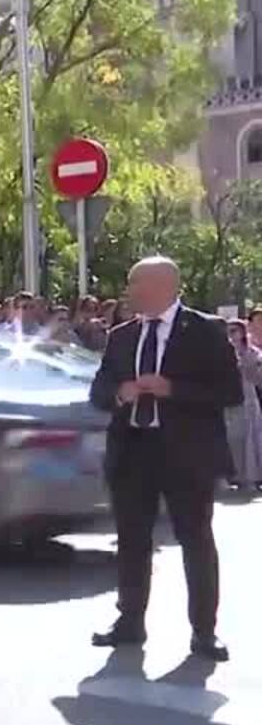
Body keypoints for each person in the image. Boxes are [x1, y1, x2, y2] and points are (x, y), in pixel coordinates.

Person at [88, 256, 242, 661]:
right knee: (132, 541)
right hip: (133, 450)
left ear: (164, 286)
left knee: (195, 541)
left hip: (187, 454)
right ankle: (129, 622)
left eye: (138, 283)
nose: (131, 291)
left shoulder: (205, 331)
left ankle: (204, 631)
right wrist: (121, 393)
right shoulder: (122, 335)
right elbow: (98, 392)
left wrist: (172, 389)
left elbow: (230, 392)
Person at [225, 319, 262, 491]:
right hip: (229, 400)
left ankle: (253, 477)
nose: (231, 335)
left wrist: (245, 363)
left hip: (247, 397)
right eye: (229, 331)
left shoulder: (252, 352)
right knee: (234, 439)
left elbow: (256, 379)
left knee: (251, 436)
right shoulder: (222, 352)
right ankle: (236, 475)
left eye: (234, 331)